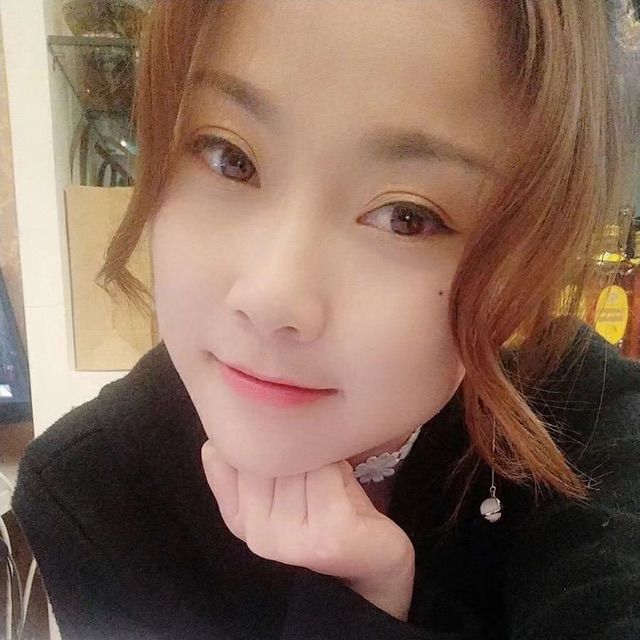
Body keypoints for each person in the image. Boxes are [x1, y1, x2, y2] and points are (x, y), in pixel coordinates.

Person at [11, 1, 640, 638]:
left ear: (523, 261)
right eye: (230, 158)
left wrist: (362, 608)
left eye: (407, 217)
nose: (270, 296)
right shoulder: (94, 487)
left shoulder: (585, 422)